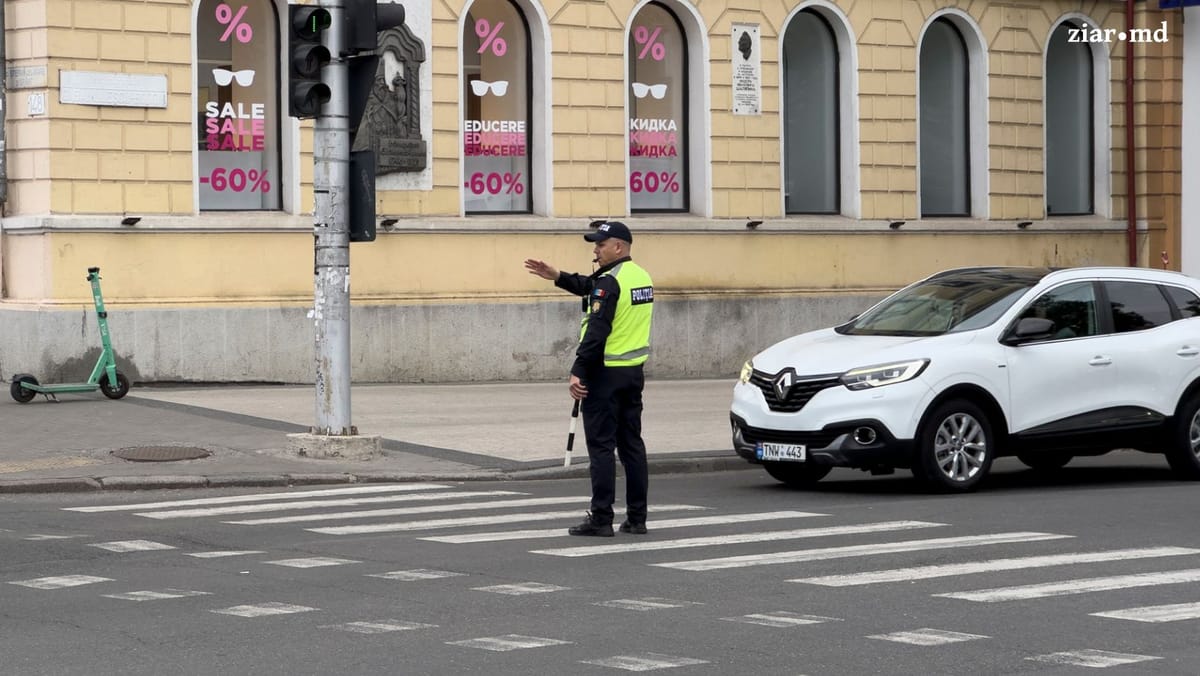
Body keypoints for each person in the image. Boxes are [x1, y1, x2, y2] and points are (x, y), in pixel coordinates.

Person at [524, 221, 655, 537]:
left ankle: (601, 518)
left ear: (618, 247)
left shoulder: (611, 282)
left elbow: (596, 331)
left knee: (601, 447)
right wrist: (558, 276)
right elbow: (590, 286)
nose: (595, 250)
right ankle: (637, 518)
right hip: (632, 372)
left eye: (600, 244)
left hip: (604, 373)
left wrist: (578, 371)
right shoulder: (639, 277)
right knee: (632, 444)